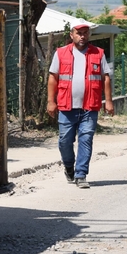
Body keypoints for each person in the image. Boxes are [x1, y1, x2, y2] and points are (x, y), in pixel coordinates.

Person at [47, 22, 114, 189]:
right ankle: (69, 166)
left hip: (89, 107)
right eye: (79, 33)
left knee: (86, 139)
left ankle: (81, 174)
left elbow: (105, 78)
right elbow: (53, 78)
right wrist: (51, 101)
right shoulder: (61, 53)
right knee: (64, 141)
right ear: (72, 35)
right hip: (66, 106)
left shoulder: (98, 53)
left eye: (85, 33)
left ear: (89, 34)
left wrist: (109, 101)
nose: (82, 36)